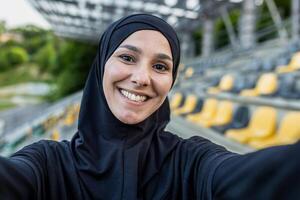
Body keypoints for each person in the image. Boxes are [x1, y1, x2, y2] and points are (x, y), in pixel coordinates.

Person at [0, 13, 299, 200]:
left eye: (160, 66)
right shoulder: (47, 165)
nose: (142, 78)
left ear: (171, 79)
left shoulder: (191, 163)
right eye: (127, 58)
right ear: (102, 65)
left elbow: (254, 178)